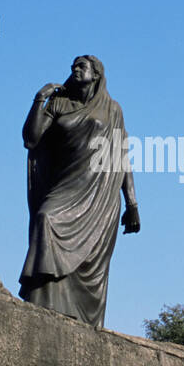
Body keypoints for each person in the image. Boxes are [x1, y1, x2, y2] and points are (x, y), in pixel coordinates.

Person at [19, 55, 140, 326]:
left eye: (81, 66)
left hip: (99, 197)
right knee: (46, 219)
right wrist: (40, 99)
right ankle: (43, 303)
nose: (74, 69)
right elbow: (31, 138)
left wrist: (132, 204)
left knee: (90, 262)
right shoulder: (59, 103)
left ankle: (81, 321)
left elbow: (121, 156)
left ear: (96, 74)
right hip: (66, 184)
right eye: (72, 66)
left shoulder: (113, 110)